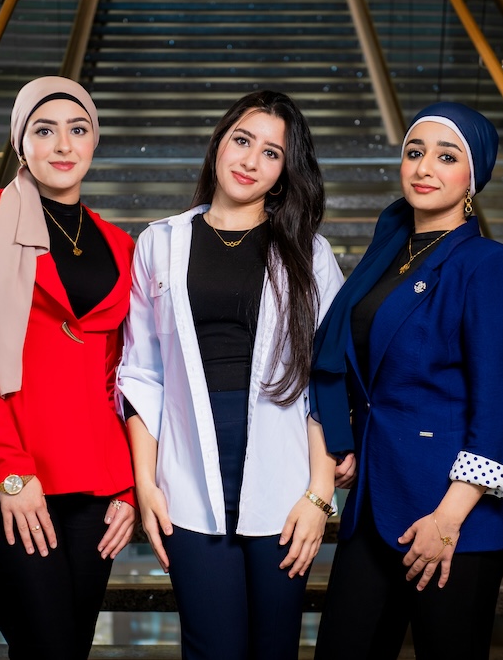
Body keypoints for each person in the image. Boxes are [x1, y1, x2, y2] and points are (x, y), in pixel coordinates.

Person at [116, 90, 344, 659]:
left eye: (272, 153)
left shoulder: (309, 253)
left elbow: (324, 376)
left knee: (274, 650)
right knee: (212, 649)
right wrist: (146, 485)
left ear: (285, 173)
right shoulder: (159, 243)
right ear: (220, 141)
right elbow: (141, 373)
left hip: (284, 480)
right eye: (243, 140)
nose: (250, 160)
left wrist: (319, 495)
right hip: (188, 474)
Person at [0, 75, 137, 660]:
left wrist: (126, 484)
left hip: (93, 475)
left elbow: (115, 374)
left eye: (78, 129)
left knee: (67, 649)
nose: (63, 145)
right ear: (23, 143)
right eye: (45, 130)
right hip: (2, 468)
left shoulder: (121, 245)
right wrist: (11, 470)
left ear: (94, 142)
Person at [309, 102, 503, 659]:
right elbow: (348, 364)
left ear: (472, 177)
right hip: (375, 497)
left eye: (446, 156)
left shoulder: (487, 264)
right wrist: (345, 441)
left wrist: (449, 519)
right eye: (414, 152)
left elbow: (498, 409)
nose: (424, 167)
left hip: (452, 511)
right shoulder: (387, 258)